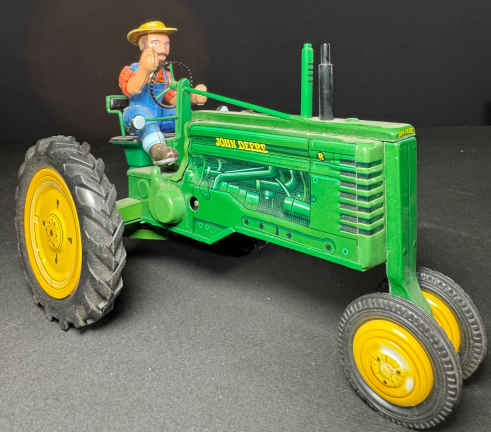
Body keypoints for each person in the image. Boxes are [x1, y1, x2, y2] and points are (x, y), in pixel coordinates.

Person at [119, 20, 207, 166]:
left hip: (160, 116)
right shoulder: (130, 70)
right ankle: (157, 149)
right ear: (142, 46)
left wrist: (192, 97)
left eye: (166, 44)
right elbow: (131, 89)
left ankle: (202, 143)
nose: (163, 48)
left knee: (182, 113)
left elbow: (173, 98)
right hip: (138, 118)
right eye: (156, 43)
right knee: (141, 115)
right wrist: (144, 70)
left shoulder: (165, 75)